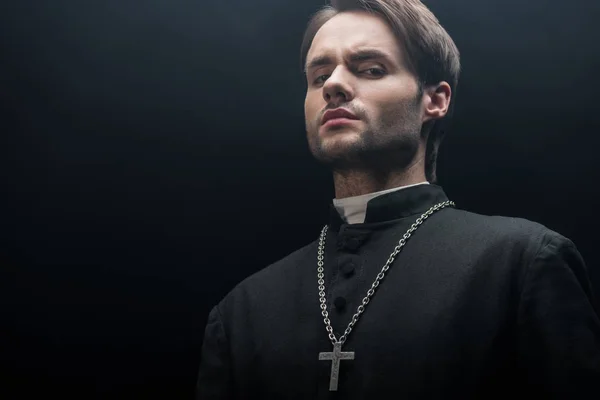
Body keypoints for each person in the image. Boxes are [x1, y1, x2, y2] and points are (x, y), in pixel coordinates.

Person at [196, 0, 600, 398]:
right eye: (319, 77)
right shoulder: (241, 313)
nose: (333, 85)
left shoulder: (521, 265)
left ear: (435, 100)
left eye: (371, 69)